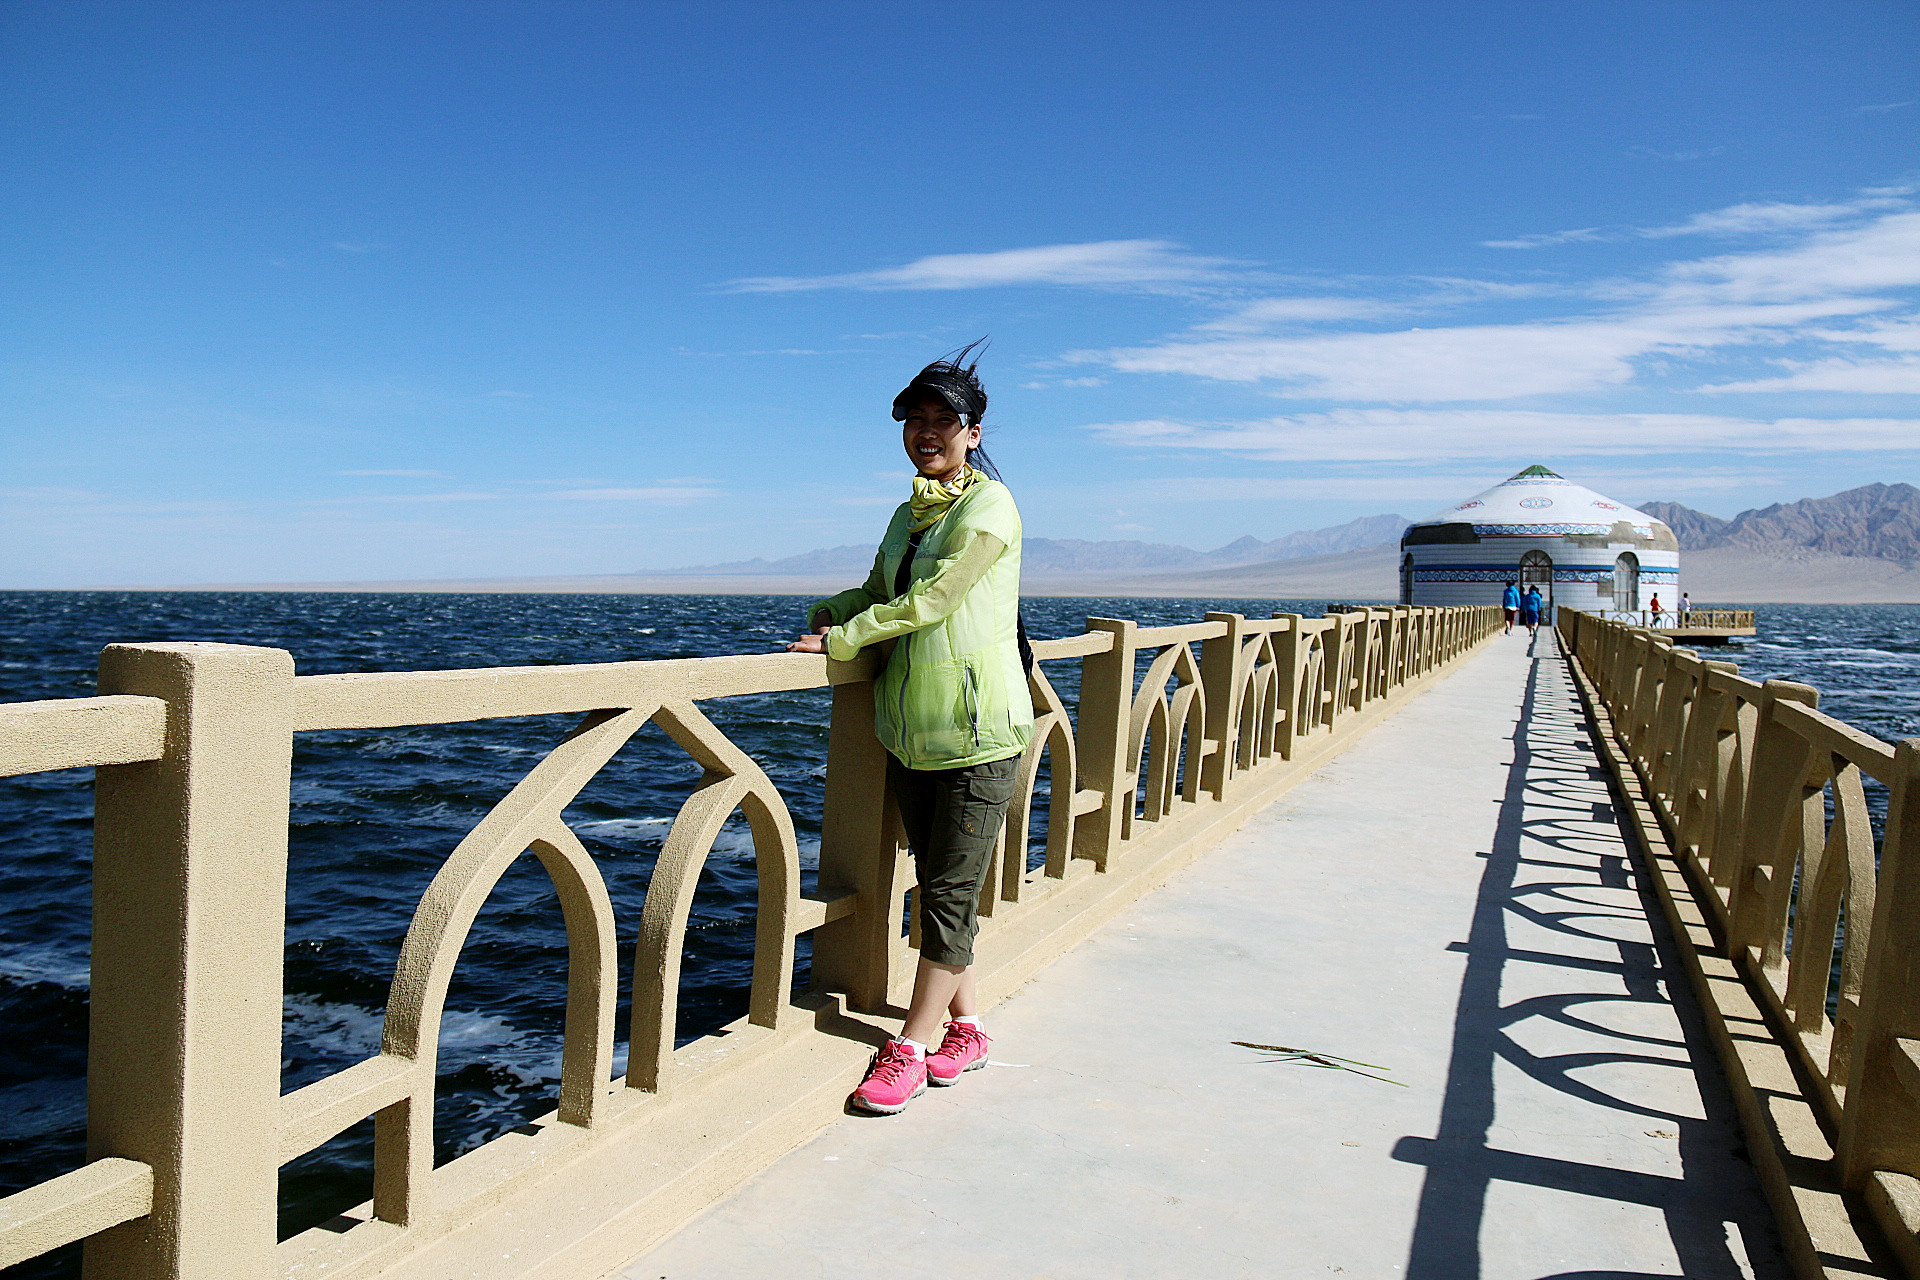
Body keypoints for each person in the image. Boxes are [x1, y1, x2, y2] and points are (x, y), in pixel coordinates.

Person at [787, 342, 1030, 1115]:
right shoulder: (908, 511)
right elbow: (880, 588)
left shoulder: (989, 507)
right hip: (911, 732)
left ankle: (910, 1050)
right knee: (938, 893)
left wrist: (848, 641)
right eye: (915, 420)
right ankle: (968, 1028)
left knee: (949, 897)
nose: (927, 432)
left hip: (977, 731)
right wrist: (835, 611)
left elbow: (935, 600)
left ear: (974, 432)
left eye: (943, 421)